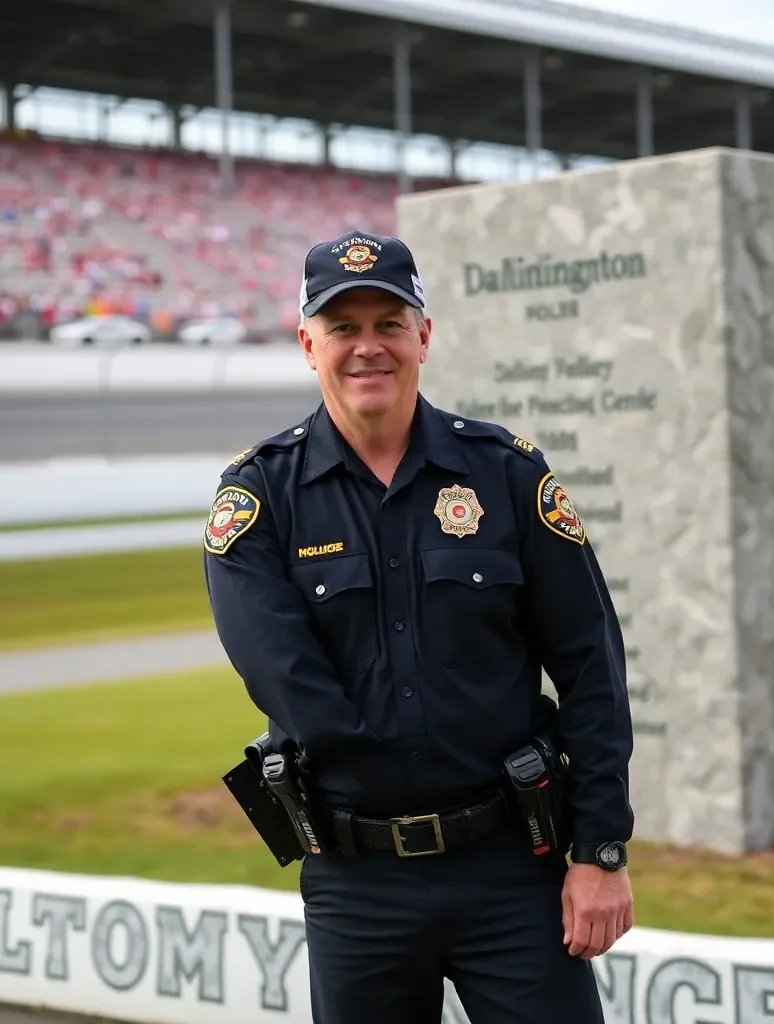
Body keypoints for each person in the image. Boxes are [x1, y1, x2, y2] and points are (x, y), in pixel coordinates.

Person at [203, 229, 635, 1024]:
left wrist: (600, 850)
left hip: (511, 867)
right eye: (343, 328)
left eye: (389, 324)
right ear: (308, 344)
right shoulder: (260, 501)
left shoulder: (507, 475)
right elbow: (287, 681)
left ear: (424, 337)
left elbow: (591, 668)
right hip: (358, 884)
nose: (368, 347)